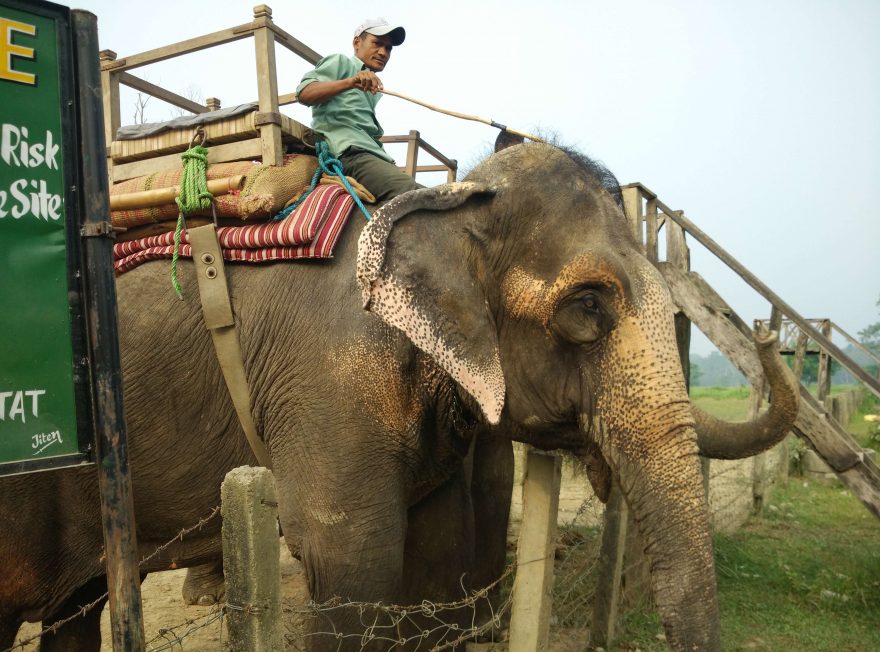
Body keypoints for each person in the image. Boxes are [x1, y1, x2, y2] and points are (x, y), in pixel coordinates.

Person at [296, 18, 422, 202]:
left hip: (376, 157)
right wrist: (350, 82)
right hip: (351, 155)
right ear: (357, 42)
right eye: (377, 43)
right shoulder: (341, 62)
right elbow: (304, 93)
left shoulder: (372, 87)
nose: (383, 52)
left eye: (388, 48)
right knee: (417, 194)